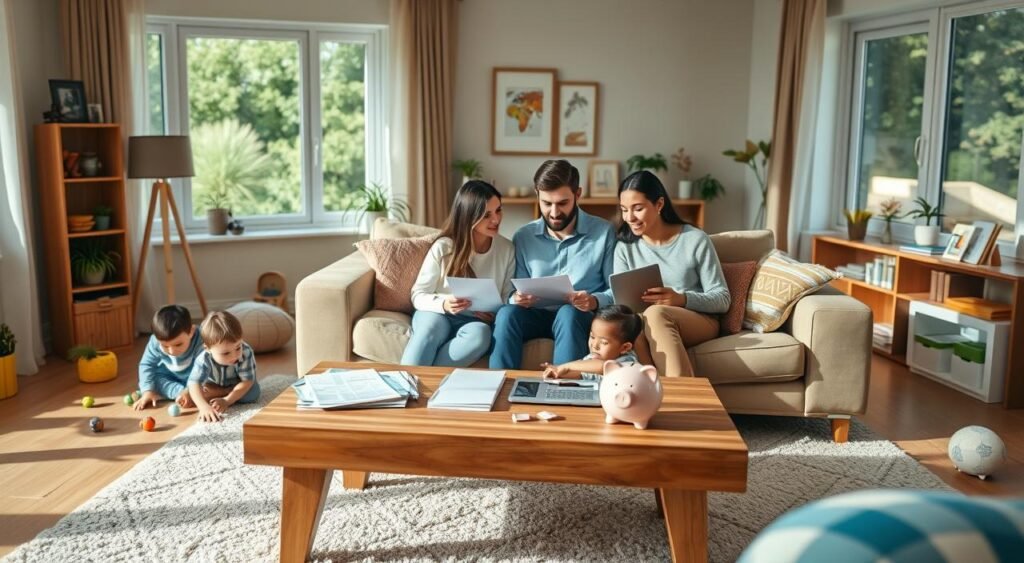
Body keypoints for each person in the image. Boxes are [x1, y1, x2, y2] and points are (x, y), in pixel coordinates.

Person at [490, 159, 616, 369]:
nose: (555, 213)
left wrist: (593, 300)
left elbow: (616, 291)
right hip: (536, 315)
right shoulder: (524, 236)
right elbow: (512, 289)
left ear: (578, 194)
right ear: (537, 194)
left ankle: (563, 388)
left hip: (578, 318)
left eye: (562, 203)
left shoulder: (604, 232)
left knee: (569, 312)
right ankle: (497, 385)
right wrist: (517, 298)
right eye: (547, 203)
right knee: (507, 313)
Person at [615, 170, 730, 377]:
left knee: (655, 313)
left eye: (638, 208)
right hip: (645, 322)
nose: (629, 218)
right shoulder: (625, 247)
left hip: (698, 320)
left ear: (659, 205)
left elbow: (722, 299)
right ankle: (651, 394)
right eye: (624, 210)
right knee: (632, 326)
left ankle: (683, 400)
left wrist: (681, 299)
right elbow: (622, 304)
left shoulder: (695, 239)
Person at [401, 180, 516, 367]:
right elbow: (418, 294)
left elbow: (506, 297)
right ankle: (407, 385)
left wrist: (495, 313)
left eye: (498, 210)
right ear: (469, 216)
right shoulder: (444, 247)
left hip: (474, 321)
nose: (496, 219)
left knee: (481, 335)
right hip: (437, 313)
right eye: (486, 215)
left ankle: (424, 381)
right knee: (430, 329)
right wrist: (445, 304)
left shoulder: (507, 249)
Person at [187, 311, 260, 422]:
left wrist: (227, 400)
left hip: (237, 383)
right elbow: (194, 383)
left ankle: (220, 392)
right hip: (212, 384)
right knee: (196, 392)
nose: (235, 355)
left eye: (237, 347)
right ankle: (214, 392)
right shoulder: (203, 358)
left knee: (253, 393)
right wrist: (203, 407)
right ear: (208, 349)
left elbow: (247, 381)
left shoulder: (245, 351)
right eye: (225, 353)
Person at [540, 304, 642, 380]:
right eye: (592, 337)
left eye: (603, 342)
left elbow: (602, 366)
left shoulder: (628, 362)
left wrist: (565, 366)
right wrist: (558, 373)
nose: (594, 345)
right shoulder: (593, 357)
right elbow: (583, 374)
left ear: (625, 348)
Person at [134, 305, 203, 411]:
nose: (171, 351)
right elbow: (147, 365)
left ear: (191, 332)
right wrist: (147, 391)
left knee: (213, 382)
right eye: (165, 346)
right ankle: (181, 393)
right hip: (170, 376)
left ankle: (190, 393)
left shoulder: (201, 338)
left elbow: (205, 369)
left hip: (197, 377)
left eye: (178, 344)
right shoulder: (155, 342)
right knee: (152, 381)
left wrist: (190, 389)